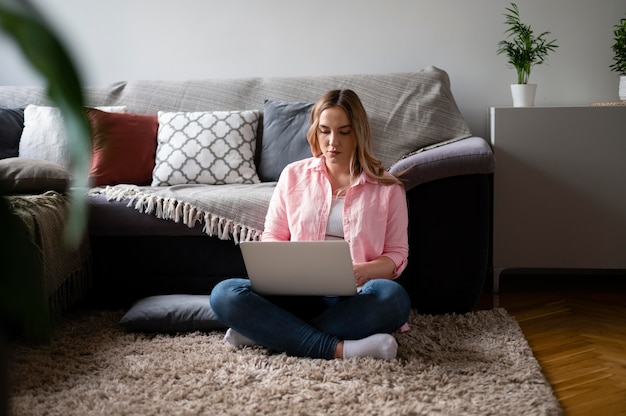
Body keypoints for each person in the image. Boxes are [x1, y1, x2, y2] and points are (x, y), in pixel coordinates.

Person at [210, 89, 411, 361]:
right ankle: (342, 349)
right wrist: (284, 267)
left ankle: (266, 334)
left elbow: (396, 255)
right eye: (325, 131)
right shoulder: (293, 175)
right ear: (315, 132)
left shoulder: (387, 187)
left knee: (393, 299)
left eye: (344, 132)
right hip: (297, 294)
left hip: (354, 296)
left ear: (359, 134)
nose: (332, 142)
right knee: (224, 294)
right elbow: (273, 236)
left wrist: (363, 271)